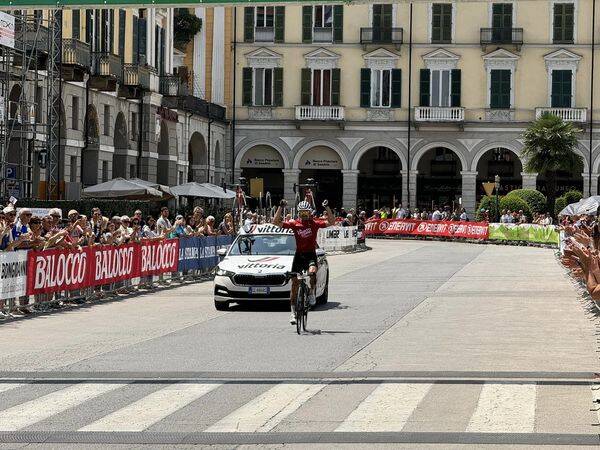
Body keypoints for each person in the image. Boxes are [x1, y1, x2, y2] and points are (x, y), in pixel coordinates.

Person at [273, 197, 335, 325]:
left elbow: (332, 222)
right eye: (302, 213)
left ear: (310, 212)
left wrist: (327, 207)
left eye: (306, 212)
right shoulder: (294, 223)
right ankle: (293, 313)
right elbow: (275, 223)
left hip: (311, 254)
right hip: (299, 255)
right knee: (294, 284)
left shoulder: (315, 223)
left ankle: (312, 293)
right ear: (298, 213)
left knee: (312, 272)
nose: (304, 215)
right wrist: (280, 207)